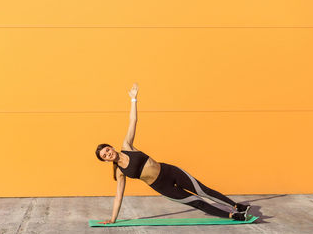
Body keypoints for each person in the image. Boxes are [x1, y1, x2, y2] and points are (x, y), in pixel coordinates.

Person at [95, 83, 251, 224]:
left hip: (170, 171)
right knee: (197, 202)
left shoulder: (126, 146)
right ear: (106, 161)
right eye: (104, 156)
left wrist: (133, 100)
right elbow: (118, 196)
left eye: (107, 150)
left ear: (112, 147)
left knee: (203, 190)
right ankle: (233, 216)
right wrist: (113, 219)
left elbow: (133, 121)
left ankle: (237, 206)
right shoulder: (120, 172)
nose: (108, 154)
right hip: (162, 186)